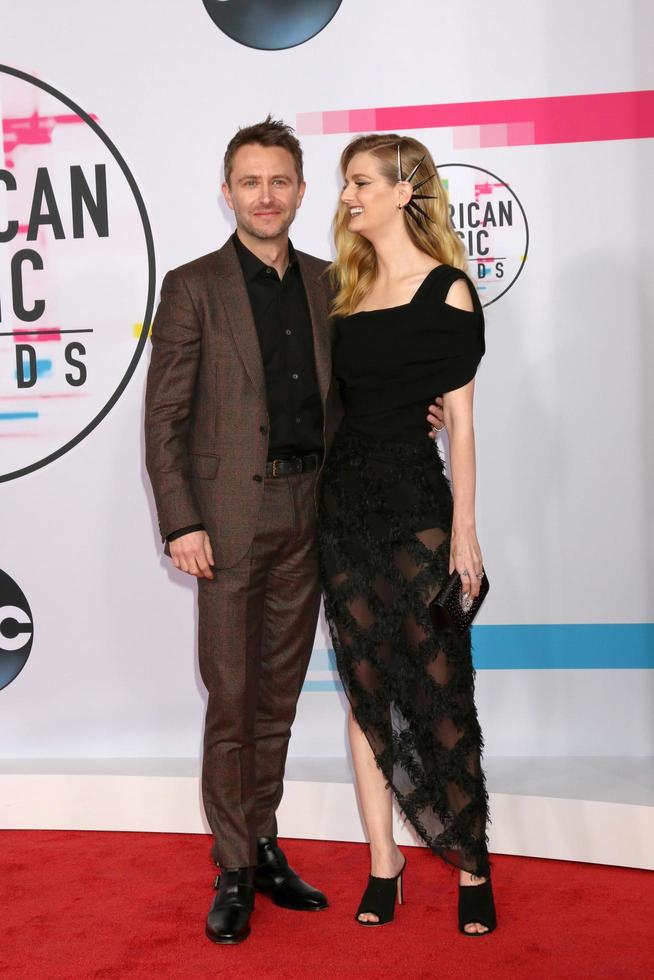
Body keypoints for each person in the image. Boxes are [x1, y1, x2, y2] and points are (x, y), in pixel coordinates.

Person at [144, 115, 450, 944]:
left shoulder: (330, 284)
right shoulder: (191, 286)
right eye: (250, 181)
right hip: (227, 525)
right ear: (228, 192)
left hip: (313, 515)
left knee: (276, 699)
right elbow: (165, 417)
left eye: (280, 180)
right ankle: (234, 865)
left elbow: (355, 395)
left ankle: (267, 845)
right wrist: (182, 520)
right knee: (232, 699)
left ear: (302, 192)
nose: (266, 195)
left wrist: (411, 413)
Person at [317, 134, 497, 935]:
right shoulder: (344, 290)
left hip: (418, 505)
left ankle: (470, 863)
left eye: (360, 182)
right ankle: (382, 865)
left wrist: (465, 528)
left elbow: (459, 421)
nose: (348, 195)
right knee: (365, 692)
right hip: (346, 507)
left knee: (440, 685)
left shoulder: (449, 291)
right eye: (347, 182)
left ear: (404, 191)